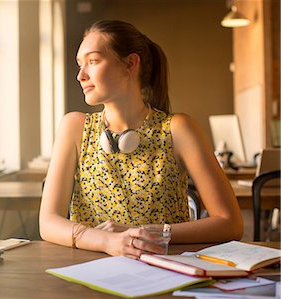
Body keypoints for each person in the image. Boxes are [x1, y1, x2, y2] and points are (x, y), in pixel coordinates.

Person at [39, 19, 243, 259]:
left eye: (93, 61)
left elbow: (230, 223)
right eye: (79, 64)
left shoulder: (178, 128)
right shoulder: (75, 126)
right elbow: (48, 222)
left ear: (130, 64)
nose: (81, 75)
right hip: (90, 271)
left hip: (164, 270)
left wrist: (141, 233)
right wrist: (107, 241)